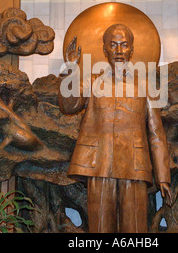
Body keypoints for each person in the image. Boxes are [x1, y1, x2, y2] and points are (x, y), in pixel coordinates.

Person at [58, 23, 171, 233]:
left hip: (135, 166)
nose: (119, 51)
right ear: (104, 50)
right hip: (98, 163)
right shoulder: (92, 82)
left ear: (132, 50)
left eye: (124, 45)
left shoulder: (145, 87)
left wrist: (163, 177)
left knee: (135, 229)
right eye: (113, 45)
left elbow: (156, 134)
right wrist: (71, 69)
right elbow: (68, 105)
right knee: (100, 228)